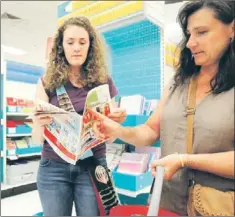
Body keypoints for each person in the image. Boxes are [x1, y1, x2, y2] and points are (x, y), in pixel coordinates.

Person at [92, 1, 234, 215]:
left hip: (217, 207)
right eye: (189, 34)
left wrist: (184, 160)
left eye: (202, 32)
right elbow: (150, 130)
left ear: (231, 29)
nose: (190, 43)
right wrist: (119, 131)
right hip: (167, 202)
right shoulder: (178, 82)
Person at [32, 16, 126, 216]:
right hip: (53, 168)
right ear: (61, 46)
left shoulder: (103, 82)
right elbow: (37, 138)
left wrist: (116, 125)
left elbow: (111, 138)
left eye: (82, 42)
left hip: (93, 167)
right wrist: (39, 123)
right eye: (70, 42)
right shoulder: (46, 82)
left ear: (90, 46)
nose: (76, 48)